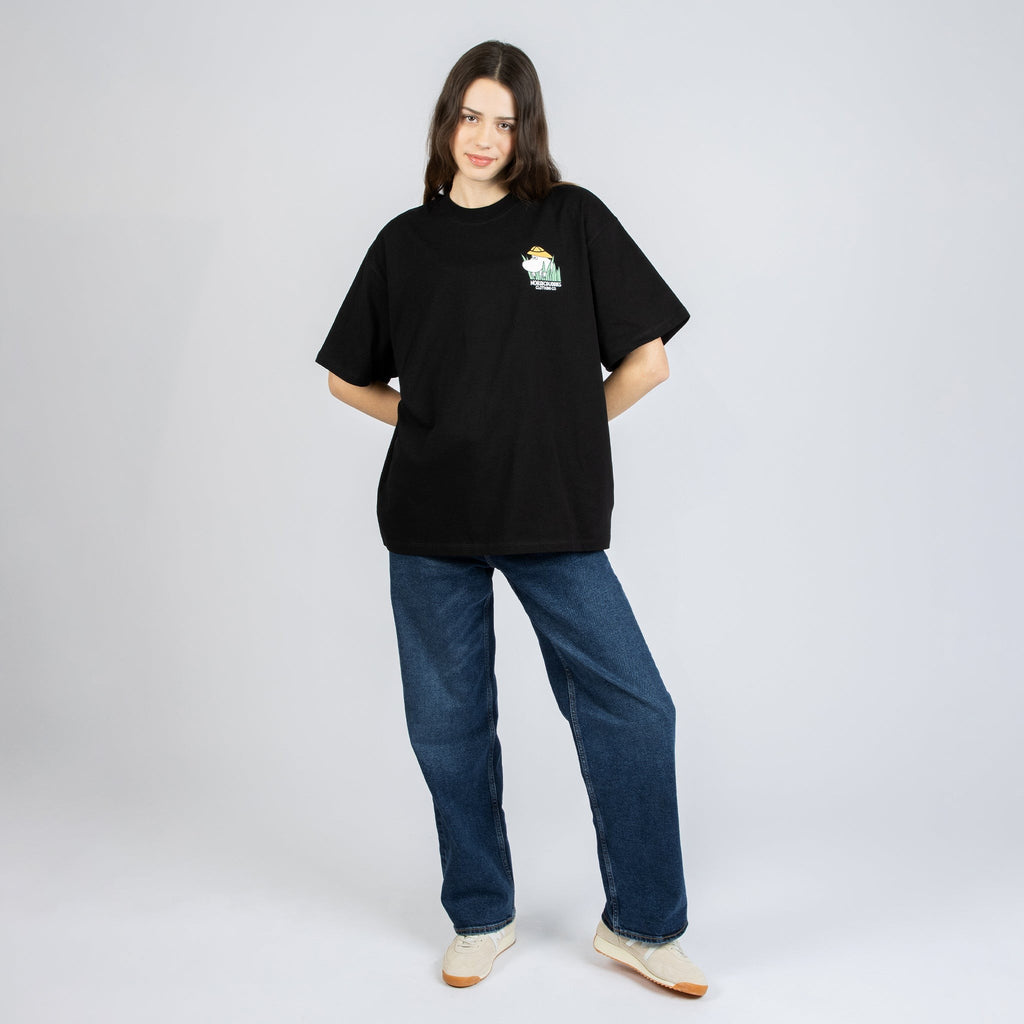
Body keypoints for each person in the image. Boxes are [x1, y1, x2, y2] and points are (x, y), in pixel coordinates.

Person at [315, 40, 707, 997]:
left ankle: (643, 925)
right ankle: (481, 915)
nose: (485, 137)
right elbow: (345, 377)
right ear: (446, 121)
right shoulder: (403, 244)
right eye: (470, 116)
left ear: (527, 130)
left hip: (551, 510)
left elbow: (649, 360)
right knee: (449, 726)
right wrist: (434, 425)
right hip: (431, 517)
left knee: (635, 707)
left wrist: (560, 431)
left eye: (505, 121)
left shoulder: (569, 220)